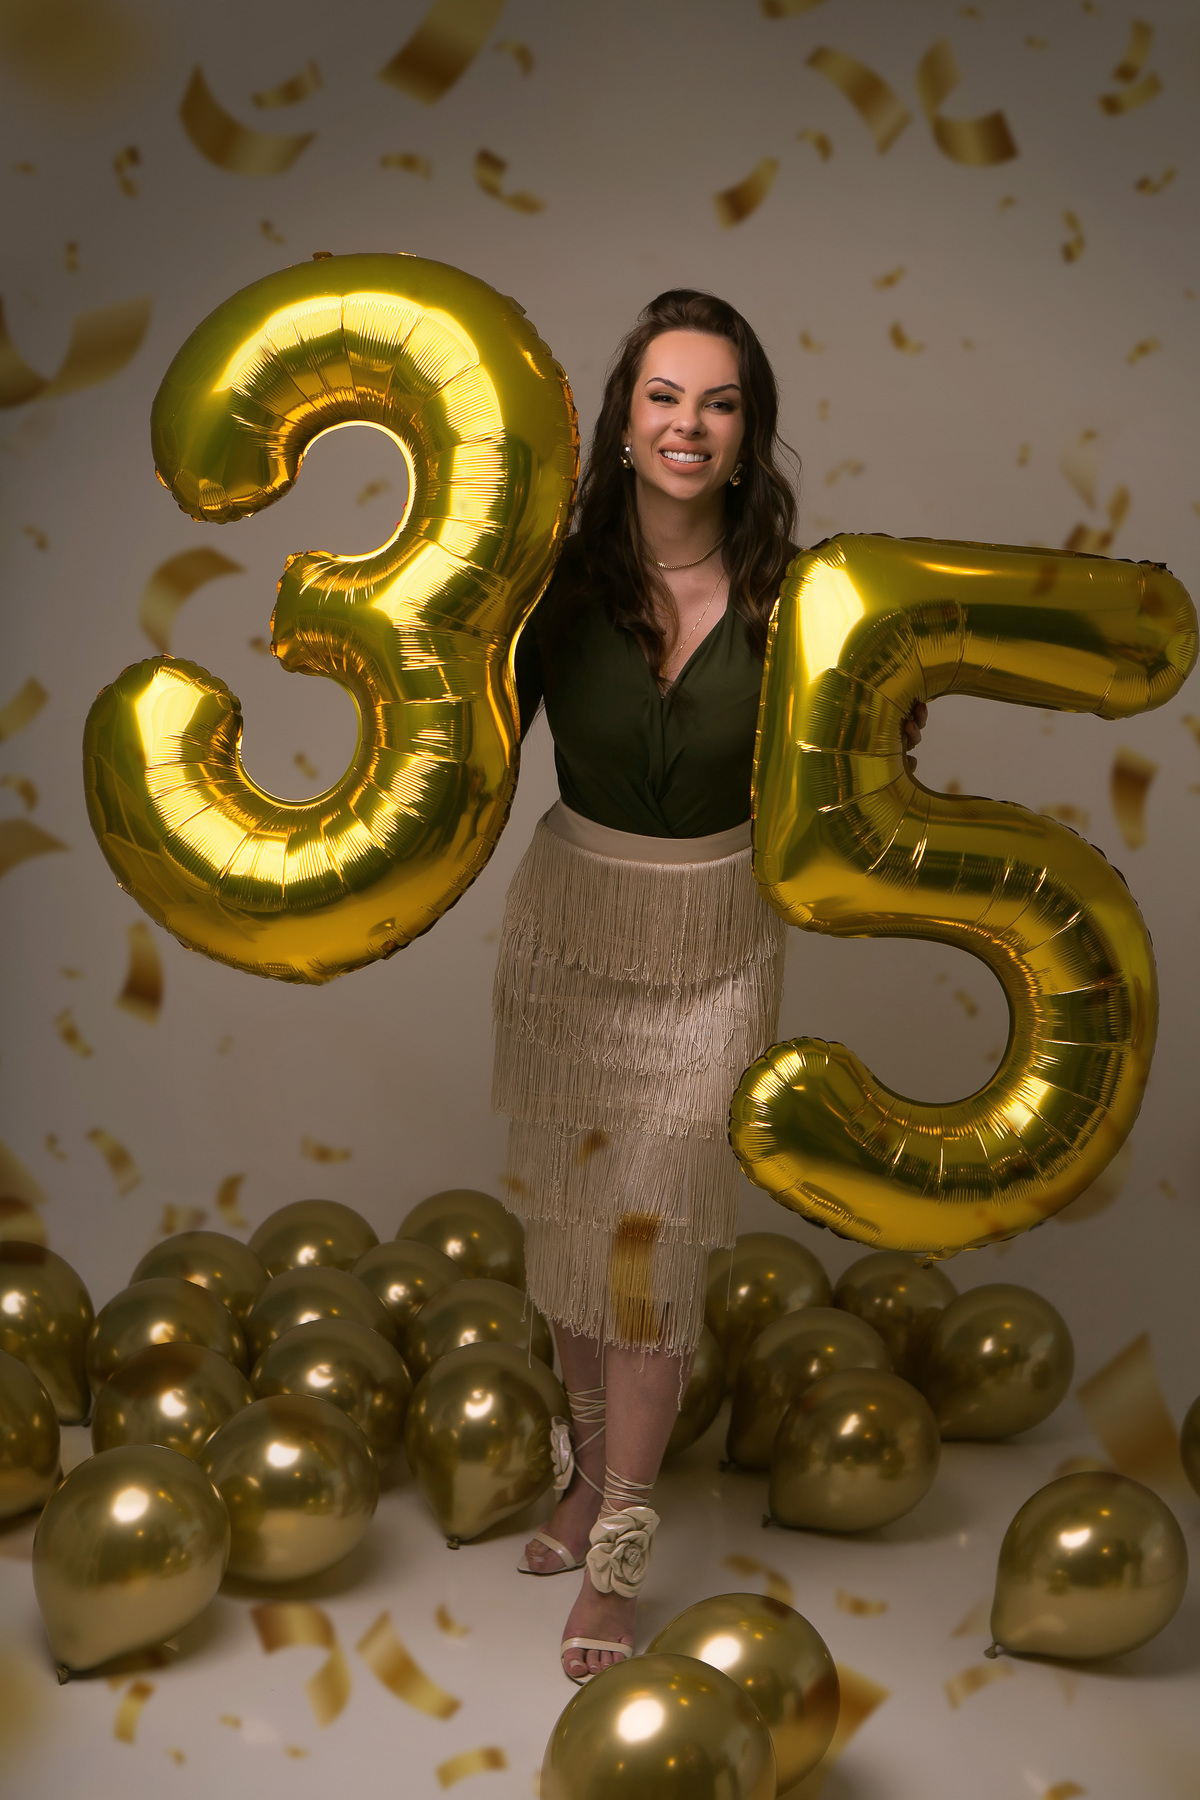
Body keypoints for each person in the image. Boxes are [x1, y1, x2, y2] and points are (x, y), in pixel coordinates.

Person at [492, 289, 924, 1684]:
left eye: (720, 403)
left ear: (750, 438)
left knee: (651, 1242)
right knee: (570, 1228)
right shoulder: (542, 582)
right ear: (621, 424)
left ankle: (619, 1539)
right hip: (570, 927)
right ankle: (576, 1464)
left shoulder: (800, 597)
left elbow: (859, 765)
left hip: (714, 942)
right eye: (665, 397)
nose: (690, 425)